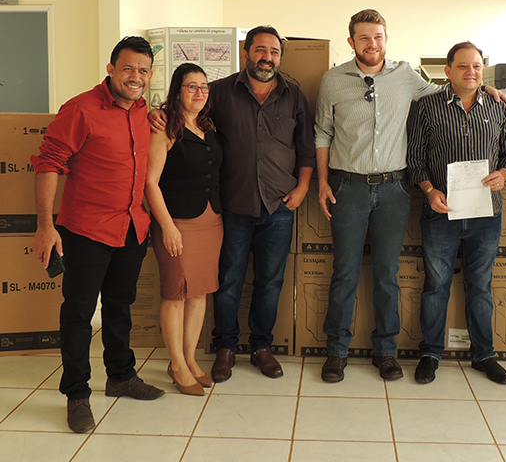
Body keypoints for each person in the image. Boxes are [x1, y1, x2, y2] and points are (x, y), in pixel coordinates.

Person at [315, 9, 506, 383]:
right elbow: (322, 132)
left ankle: (385, 352)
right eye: (364, 37)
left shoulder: (405, 75)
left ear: (386, 39)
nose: (372, 44)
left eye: (378, 36)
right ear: (351, 41)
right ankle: (336, 352)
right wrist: (323, 182)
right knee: (344, 273)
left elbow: (448, 91)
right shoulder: (332, 80)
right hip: (347, 188)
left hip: (394, 189)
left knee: (387, 274)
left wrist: (483, 88)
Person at [150, 26, 315, 383]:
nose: (267, 57)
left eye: (274, 51)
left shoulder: (294, 96)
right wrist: (154, 113)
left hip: (279, 205)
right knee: (228, 281)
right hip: (232, 204)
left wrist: (303, 187)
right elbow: (185, 113)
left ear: (280, 57)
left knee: (270, 281)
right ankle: (225, 346)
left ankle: (261, 346)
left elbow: (306, 148)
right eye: (260, 50)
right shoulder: (220, 92)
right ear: (246, 52)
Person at [32, 36, 165, 434]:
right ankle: (77, 394)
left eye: (143, 70)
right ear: (111, 69)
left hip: (131, 227)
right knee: (78, 313)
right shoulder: (81, 109)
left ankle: (121, 376)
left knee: (120, 306)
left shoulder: (144, 113)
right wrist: (45, 226)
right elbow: (48, 163)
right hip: (86, 230)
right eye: (128, 68)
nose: (136, 77)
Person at [407, 41, 506, 385]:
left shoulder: (498, 106)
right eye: (462, 66)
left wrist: (504, 174)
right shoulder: (426, 107)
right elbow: (414, 159)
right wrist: (429, 190)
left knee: (480, 286)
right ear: (448, 71)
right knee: (436, 285)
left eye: (476, 66)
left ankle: (484, 355)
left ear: (483, 70)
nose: (470, 72)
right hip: (441, 212)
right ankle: (430, 353)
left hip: (486, 214)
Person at [145, 63, 222, 396]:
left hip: (210, 220)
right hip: (176, 221)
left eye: (204, 87)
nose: (199, 92)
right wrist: (167, 227)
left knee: (199, 292)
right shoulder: (164, 128)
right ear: (177, 91)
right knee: (176, 293)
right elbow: (150, 183)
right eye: (192, 86)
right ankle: (176, 364)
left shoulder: (207, 125)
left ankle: (190, 359)